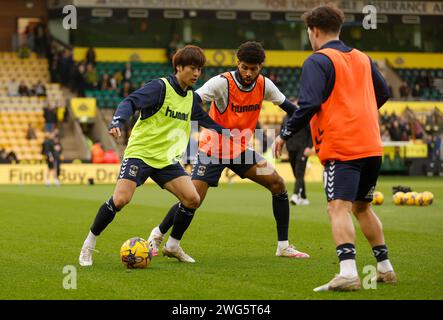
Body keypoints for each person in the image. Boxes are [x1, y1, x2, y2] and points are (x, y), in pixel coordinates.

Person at [148, 41, 310, 262]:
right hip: (212, 149)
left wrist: (292, 130)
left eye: (253, 69)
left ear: (261, 66)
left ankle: (283, 246)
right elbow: (191, 101)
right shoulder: (221, 83)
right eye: (244, 67)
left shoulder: (265, 85)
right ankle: (158, 235)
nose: (248, 73)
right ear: (237, 63)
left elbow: (292, 110)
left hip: (242, 151)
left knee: (277, 184)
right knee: (191, 199)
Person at [272, 4, 395, 292]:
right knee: (362, 207)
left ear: (313, 31)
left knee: (337, 207)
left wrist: (285, 133)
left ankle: (349, 272)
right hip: (371, 145)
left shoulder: (317, 60)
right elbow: (384, 92)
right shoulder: (362, 58)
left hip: (343, 147)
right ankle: (385, 269)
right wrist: (358, 112)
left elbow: (310, 103)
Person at [79, 45, 228, 266]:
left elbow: (205, 121)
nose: (197, 74)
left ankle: (173, 246)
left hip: (166, 159)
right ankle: (88, 247)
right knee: (120, 200)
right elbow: (130, 101)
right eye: (192, 68)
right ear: (178, 67)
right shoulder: (160, 87)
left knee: (192, 199)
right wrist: (118, 120)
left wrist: (228, 133)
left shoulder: (190, 98)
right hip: (141, 153)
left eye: (200, 69)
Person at [281, 114, 312, 206]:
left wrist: (309, 146)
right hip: (291, 149)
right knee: (296, 173)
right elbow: (282, 132)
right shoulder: (285, 118)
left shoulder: (303, 115)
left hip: (302, 149)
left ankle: (295, 195)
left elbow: (311, 132)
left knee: (299, 173)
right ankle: (304, 197)